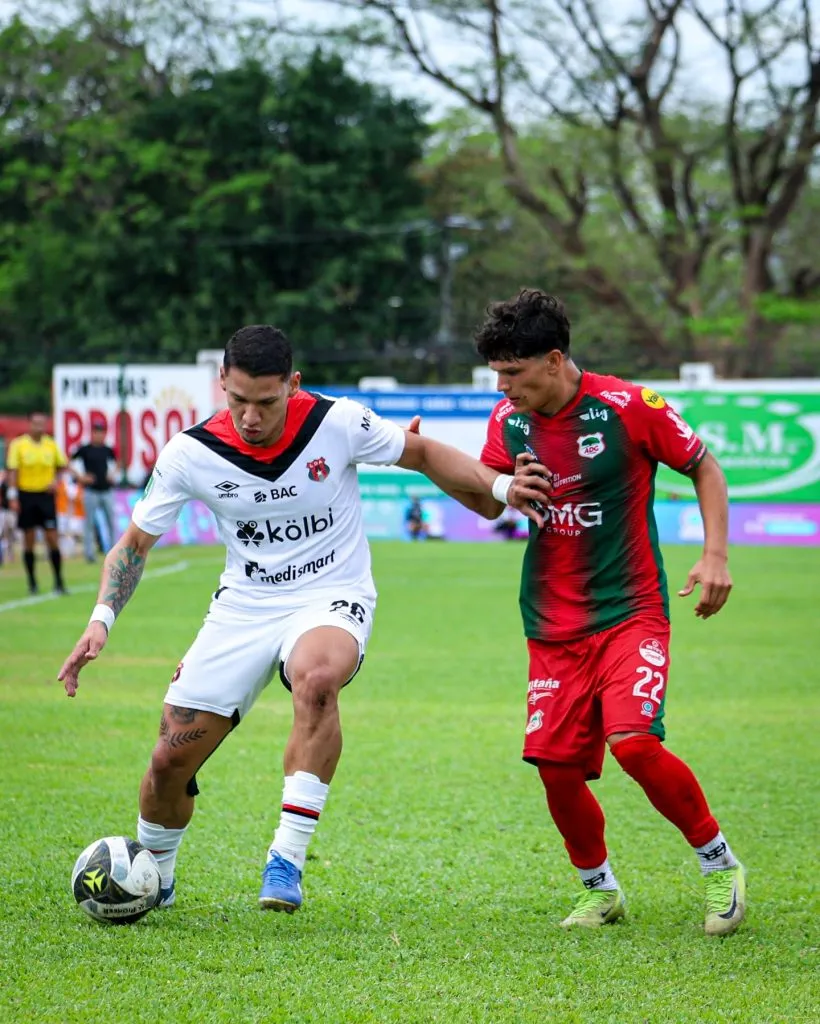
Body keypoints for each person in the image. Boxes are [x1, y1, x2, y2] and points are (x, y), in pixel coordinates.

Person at [57, 324, 551, 914]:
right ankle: (154, 879)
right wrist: (101, 618)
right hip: (242, 606)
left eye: (266, 402)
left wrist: (499, 484)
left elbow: (420, 452)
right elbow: (134, 544)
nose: (250, 417)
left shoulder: (336, 422)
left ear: (294, 384)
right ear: (222, 383)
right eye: (238, 400)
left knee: (316, 680)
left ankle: (285, 859)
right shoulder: (190, 453)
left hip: (331, 594)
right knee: (168, 760)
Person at [433, 289, 743, 936]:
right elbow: (490, 504)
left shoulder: (629, 407)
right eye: (497, 374)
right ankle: (599, 890)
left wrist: (715, 555)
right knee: (555, 769)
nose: (503, 386)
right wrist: (446, 473)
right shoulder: (509, 422)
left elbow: (705, 468)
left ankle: (720, 866)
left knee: (632, 744)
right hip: (551, 622)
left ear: (553, 359)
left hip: (630, 611)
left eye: (512, 373)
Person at [5, 412, 69, 594]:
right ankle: (32, 582)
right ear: (29, 424)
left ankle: (58, 581)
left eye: (42, 424)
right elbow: (13, 471)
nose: (39, 427)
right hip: (27, 495)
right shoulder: (20, 445)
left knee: (52, 538)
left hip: (46, 496)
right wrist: (13, 495)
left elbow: (61, 466)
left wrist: (56, 481)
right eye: (36, 423)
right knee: (29, 539)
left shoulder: (50, 444)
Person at [71, 420, 119, 562]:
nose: (99, 435)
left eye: (101, 432)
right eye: (96, 432)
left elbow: (117, 463)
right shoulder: (85, 449)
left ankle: (113, 550)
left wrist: (112, 474)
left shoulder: (107, 449)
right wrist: (81, 477)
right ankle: (89, 553)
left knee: (110, 521)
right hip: (91, 490)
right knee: (89, 523)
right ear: (92, 433)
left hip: (106, 490)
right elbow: (70, 463)